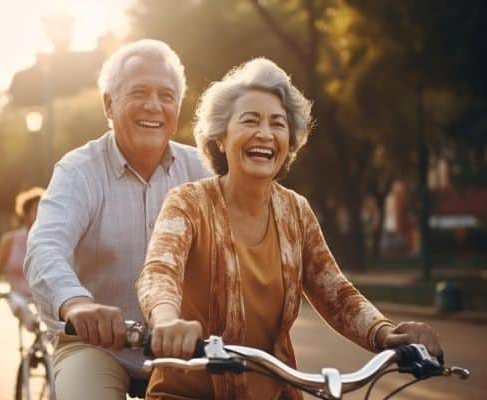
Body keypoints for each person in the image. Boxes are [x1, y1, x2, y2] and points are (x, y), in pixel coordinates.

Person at [137, 58, 442, 400]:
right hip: (185, 393)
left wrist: (386, 334)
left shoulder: (297, 211)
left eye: (278, 124)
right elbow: (160, 271)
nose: (265, 134)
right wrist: (166, 321)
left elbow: (336, 293)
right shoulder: (188, 202)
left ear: (289, 142)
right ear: (220, 138)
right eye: (250, 120)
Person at [24, 39, 210, 400]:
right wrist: (77, 304)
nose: (153, 105)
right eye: (138, 92)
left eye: (166, 95)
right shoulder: (78, 171)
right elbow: (45, 247)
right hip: (96, 347)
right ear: (109, 104)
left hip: (184, 351)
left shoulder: (202, 170)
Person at [0, 187, 44, 331]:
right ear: (26, 214)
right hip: (18, 296)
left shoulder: (51, 240)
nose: (42, 213)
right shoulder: (9, 240)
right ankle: (33, 326)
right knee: (19, 304)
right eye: (37, 209)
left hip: (43, 296)